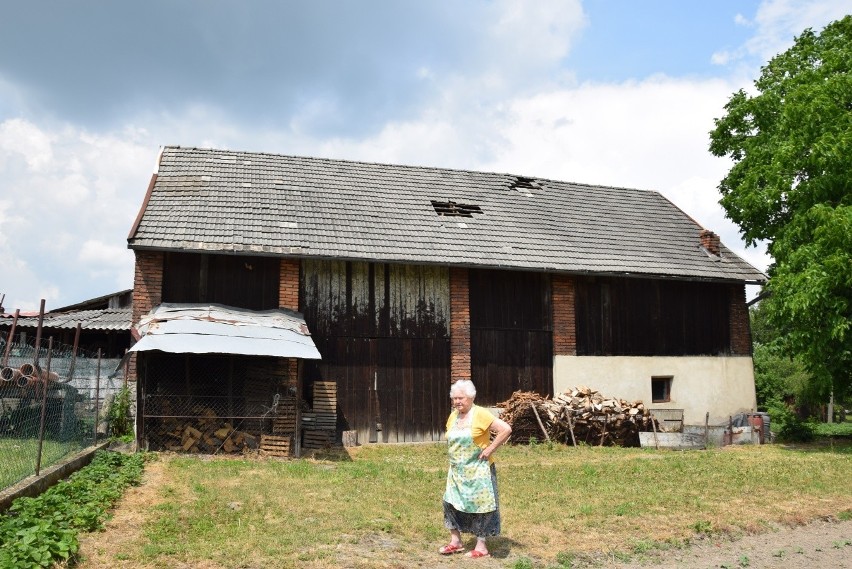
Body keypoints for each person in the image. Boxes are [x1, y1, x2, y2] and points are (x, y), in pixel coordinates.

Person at [439, 379, 512, 559]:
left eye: (461, 398)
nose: (457, 402)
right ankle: (455, 542)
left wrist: (490, 449)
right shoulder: (453, 416)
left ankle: (481, 546)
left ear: (471, 397)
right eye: (455, 398)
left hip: (479, 471)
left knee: (481, 507)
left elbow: (505, 429)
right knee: (450, 503)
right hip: (457, 471)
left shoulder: (480, 414)